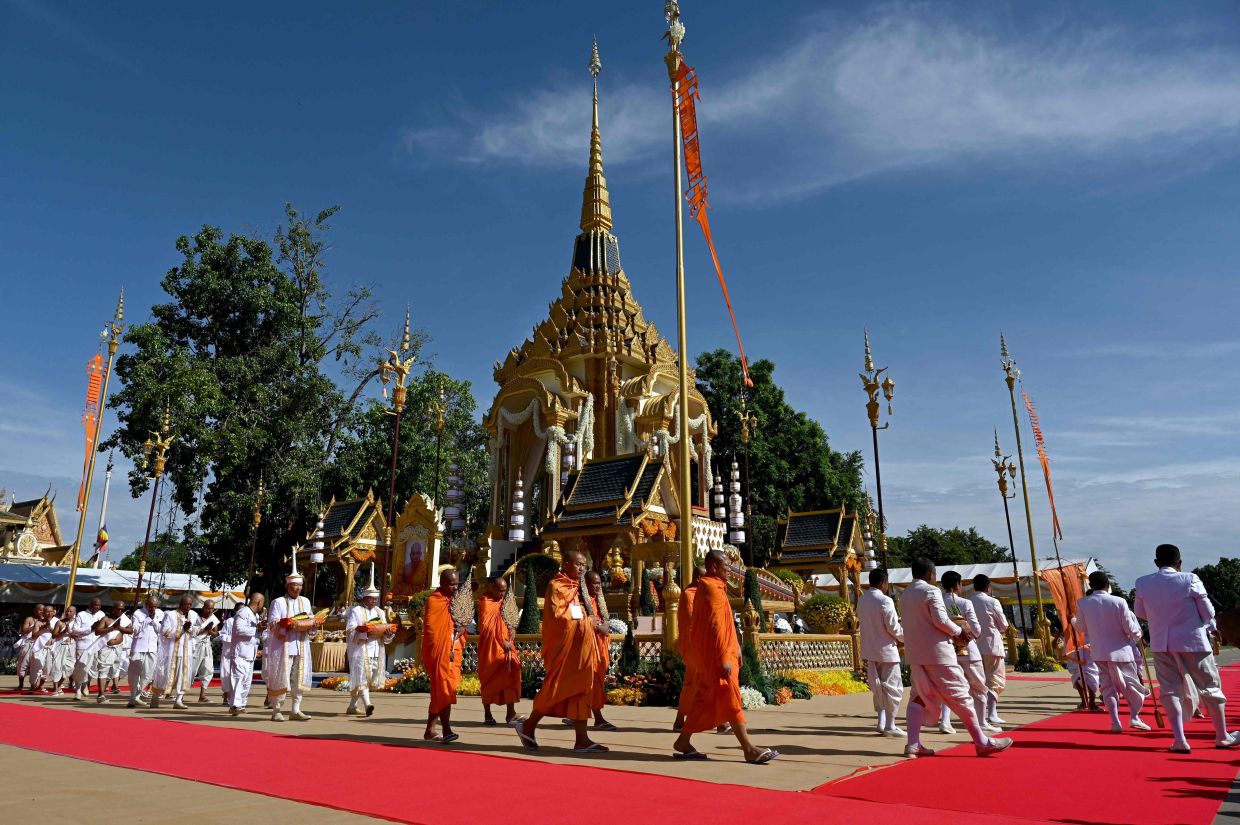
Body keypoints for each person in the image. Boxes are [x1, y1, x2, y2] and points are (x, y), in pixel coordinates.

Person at [672, 549, 778, 764]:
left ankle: (683, 741)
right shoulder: (710, 587)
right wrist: (723, 658)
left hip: (725, 651)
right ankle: (748, 748)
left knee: (705, 700)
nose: (729, 571)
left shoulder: (717, 587)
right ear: (713, 567)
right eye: (726, 567)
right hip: (717, 656)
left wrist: (736, 646)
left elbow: (726, 621)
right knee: (730, 699)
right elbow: (715, 628)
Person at [899, 557, 1012, 758]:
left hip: (916, 654)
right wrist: (960, 631)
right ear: (930, 574)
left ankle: (913, 744)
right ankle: (982, 741)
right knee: (961, 695)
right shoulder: (930, 591)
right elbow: (940, 620)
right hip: (938, 653)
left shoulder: (904, 594)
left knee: (918, 697)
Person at [1134, 544, 1240, 752]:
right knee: (1210, 687)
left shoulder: (1143, 583)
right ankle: (1222, 736)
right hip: (1193, 641)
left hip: (1161, 644)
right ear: (1179, 563)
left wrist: (1162, 620)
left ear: (1156, 563)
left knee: (1170, 691)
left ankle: (1180, 739)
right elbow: (1208, 611)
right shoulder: (1190, 579)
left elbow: (1140, 612)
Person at [516, 550, 608, 753]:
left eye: (584, 565)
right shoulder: (557, 586)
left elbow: (581, 613)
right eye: (578, 564)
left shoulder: (578, 587)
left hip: (581, 649)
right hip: (565, 651)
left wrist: (589, 621)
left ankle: (581, 740)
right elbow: (560, 618)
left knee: (582, 690)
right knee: (555, 689)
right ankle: (528, 725)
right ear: (566, 564)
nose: (582, 568)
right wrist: (588, 622)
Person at [1074, 570, 1149, 733]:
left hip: (1100, 652)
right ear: (1108, 585)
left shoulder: (1083, 603)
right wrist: (1138, 634)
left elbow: (1080, 627)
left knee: (1108, 688)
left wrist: (1074, 621)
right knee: (1132, 687)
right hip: (1122, 652)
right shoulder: (1119, 601)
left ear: (1091, 586)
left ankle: (1115, 721)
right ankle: (1134, 716)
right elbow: (1129, 628)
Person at [939, 572, 995, 734]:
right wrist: (965, 632)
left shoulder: (937, 603)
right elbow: (976, 630)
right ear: (957, 584)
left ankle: (945, 720)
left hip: (947, 649)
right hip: (968, 648)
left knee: (949, 686)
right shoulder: (965, 603)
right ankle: (981, 721)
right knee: (979, 686)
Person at [267, 556, 317, 722]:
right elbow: (272, 624)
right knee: (282, 676)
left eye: (299, 585)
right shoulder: (278, 602)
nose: (297, 588)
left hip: (301, 645)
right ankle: (277, 709)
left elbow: (310, 620)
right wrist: (286, 625)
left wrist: (312, 625)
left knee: (299, 677)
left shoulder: (306, 601)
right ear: (287, 586)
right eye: (294, 585)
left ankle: (296, 709)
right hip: (284, 645)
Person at [858, 567, 905, 736]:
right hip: (886, 650)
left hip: (870, 649)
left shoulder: (862, 600)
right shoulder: (885, 601)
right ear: (883, 583)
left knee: (878, 687)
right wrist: (906, 637)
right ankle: (890, 725)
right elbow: (893, 627)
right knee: (892, 688)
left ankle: (882, 721)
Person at [346, 565, 395, 717]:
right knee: (361, 676)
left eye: (376, 599)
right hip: (361, 649)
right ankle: (368, 704)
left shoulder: (380, 612)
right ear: (365, 598)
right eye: (371, 598)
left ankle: (352, 706)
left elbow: (387, 633)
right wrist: (365, 631)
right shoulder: (356, 611)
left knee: (369, 678)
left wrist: (387, 633)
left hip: (376, 650)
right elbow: (350, 630)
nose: (374, 601)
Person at [422, 568, 465, 742]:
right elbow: (432, 630)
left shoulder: (456, 600)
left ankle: (429, 730)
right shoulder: (434, 601)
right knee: (444, 690)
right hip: (439, 651)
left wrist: (462, 628)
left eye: (457, 584)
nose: (455, 588)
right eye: (451, 584)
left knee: (443, 690)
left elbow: (461, 622)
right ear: (442, 584)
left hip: (452, 651)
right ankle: (446, 730)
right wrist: (445, 643)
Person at [477, 576, 523, 726]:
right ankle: (487, 714)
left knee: (511, 674)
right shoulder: (485, 601)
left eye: (504, 591)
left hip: (508, 647)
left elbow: (512, 620)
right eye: (499, 590)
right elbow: (486, 626)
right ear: (491, 587)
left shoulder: (506, 601)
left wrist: (512, 634)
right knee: (489, 678)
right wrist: (501, 640)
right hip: (491, 647)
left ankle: (511, 713)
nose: (501, 594)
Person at [969, 574, 1010, 727]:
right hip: (992, 645)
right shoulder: (992, 601)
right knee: (995, 679)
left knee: (977, 680)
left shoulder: (968, 601)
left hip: (974, 646)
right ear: (988, 587)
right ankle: (992, 713)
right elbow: (1004, 625)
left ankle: (978, 713)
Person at [673, 566, 707, 732]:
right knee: (692, 683)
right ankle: (680, 719)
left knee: (708, 683)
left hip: (704, 646)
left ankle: (720, 721)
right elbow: (693, 623)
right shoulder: (689, 595)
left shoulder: (702, 594)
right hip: (694, 646)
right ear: (699, 579)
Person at [152, 596, 199, 710]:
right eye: (186, 604)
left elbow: (196, 630)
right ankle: (156, 696)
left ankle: (178, 700)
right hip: (171, 651)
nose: (188, 606)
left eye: (190, 604)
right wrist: (182, 630)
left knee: (183, 677)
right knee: (165, 676)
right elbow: (165, 632)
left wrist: (190, 629)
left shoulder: (193, 615)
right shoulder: (170, 614)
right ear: (180, 604)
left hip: (186, 652)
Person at [227, 593, 264, 716]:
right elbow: (239, 629)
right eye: (262, 603)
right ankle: (234, 705)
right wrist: (256, 629)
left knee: (247, 681)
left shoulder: (256, 615)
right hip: (240, 652)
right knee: (238, 679)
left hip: (250, 653)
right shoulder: (243, 612)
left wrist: (262, 630)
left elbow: (257, 633)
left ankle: (242, 704)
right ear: (258, 602)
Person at [127, 593, 163, 708]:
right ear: (146, 604)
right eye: (151, 606)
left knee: (148, 674)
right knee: (134, 673)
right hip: (138, 646)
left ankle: (137, 695)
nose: (153, 608)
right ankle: (133, 696)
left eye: (155, 606)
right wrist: (148, 619)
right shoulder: (138, 613)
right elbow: (135, 629)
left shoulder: (160, 614)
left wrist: (154, 621)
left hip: (152, 647)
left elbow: (161, 630)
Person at [93, 602, 131, 704]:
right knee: (103, 670)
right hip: (107, 649)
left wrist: (120, 628)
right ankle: (100, 695)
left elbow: (131, 630)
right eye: (118, 609)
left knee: (113, 672)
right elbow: (97, 631)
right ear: (113, 609)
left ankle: (104, 691)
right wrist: (112, 628)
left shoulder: (124, 620)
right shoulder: (105, 619)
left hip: (118, 648)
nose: (120, 611)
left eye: (122, 609)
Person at [70, 597, 106, 700]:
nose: (97, 607)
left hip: (97, 645)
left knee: (93, 669)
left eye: (99, 605)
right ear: (90, 605)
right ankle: (77, 691)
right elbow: (75, 629)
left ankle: (85, 683)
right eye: (96, 605)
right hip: (83, 645)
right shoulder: (81, 615)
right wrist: (91, 628)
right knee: (81, 667)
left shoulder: (101, 614)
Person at [190, 600, 221, 704]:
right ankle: (179, 694)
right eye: (208, 608)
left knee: (208, 669)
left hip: (206, 646)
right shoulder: (195, 617)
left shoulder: (214, 619)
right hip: (195, 646)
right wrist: (204, 629)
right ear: (203, 607)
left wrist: (209, 630)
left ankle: (202, 695)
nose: (210, 610)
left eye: (212, 608)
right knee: (191, 670)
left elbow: (215, 634)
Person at [45, 607, 77, 695]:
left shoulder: (77, 622)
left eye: (71, 611)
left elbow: (78, 635)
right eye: (67, 611)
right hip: (60, 646)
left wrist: (70, 632)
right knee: (57, 667)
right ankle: (55, 689)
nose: (68, 613)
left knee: (70, 668)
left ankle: (59, 685)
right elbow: (54, 635)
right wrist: (63, 632)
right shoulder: (60, 622)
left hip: (71, 647)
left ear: (74, 613)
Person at [16, 605, 46, 693]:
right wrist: (35, 626)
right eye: (39, 610)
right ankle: (21, 685)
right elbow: (24, 630)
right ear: (35, 610)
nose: (41, 612)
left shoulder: (46, 621)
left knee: (36, 666)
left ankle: (33, 685)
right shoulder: (29, 619)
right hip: (28, 644)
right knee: (22, 664)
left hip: (39, 645)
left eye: (42, 610)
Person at [217, 610, 235, 707]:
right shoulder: (230, 621)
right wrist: (234, 639)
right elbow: (222, 635)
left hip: (241, 653)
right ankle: (226, 695)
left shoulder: (247, 621)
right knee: (226, 674)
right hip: (228, 653)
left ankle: (234, 699)